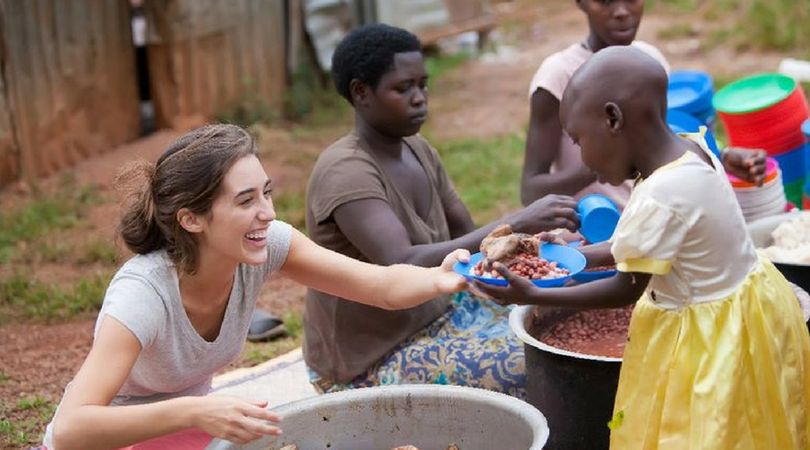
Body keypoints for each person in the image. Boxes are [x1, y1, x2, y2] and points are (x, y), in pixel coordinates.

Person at [42, 124, 470, 450]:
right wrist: (197, 409)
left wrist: (438, 277)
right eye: (245, 201)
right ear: (191, 219)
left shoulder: (265, 245)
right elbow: (71, 428)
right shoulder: (143, 294)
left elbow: (379, 286)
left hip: (187, 431)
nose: (266, 212)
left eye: (266, 193)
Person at [476, 46, 810, 449]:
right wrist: (562, 256)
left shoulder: (662, 194)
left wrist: (536, 291)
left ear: (613, 119)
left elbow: (626, 286)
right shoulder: (690, 149)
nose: (581, 158)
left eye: (579, 140)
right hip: (746, 308)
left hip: (708, 333)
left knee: (705, 426)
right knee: (749, 417)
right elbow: (639, 244)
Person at [303, 23, 579, 397]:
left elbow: (473, 237)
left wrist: (529, 243)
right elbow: (401, 261)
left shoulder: (417, 149)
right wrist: (518, 219)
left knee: (562, 319)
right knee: (536, 361)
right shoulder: (346, 171)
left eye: (423, 84)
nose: (420, 98)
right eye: (404, 88)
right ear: (361, 92)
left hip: (443, 312)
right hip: (372, 358)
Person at [521, 0, 766, 209]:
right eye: (605, 1)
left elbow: (664, 136)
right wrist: (603, 160)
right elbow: (531, 190)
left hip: (656, 213)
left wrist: (719, 155)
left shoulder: (649, 61)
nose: (621, 11)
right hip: (590, 235)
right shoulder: (558, 76)